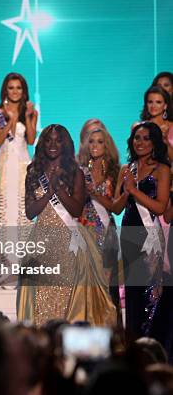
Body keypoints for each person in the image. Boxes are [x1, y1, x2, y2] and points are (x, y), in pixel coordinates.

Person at [17, 124, 116, 326]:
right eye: (48, 140)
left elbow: (76, 210)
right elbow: (30, 212)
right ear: (42, 144)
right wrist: (48, 193)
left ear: (65, 144)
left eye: (58, 140)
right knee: (41, 295)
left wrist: (59, 190)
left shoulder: (75, 173)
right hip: (42, 239)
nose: (53, 144)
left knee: (68, 296)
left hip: (69, 242)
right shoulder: (33, 172)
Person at [112, 122, 169, 339]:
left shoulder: (162, 170)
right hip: (129, 236)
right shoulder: (127, 170)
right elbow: (117, 208)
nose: (141, 142)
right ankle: (134, 345)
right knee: (134, 296)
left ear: (154, 142)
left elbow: (161, 207)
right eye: (137, 138)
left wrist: (134, 190)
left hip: (150, 237)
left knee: (151, 294)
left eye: (146, 138)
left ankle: (153, 346)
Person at [0, 72, 38, 287]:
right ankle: (4, 275)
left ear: (24, 90)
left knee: (23, 215)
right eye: (11, 87)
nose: (15, 91)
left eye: (19, 87)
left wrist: (27, 117)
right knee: (6, 214)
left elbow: (30, 139)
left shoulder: (30, 110)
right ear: (5, 90)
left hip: (24, 164)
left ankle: (22, 274)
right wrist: (9, 120)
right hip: (5, 165)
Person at [77, 124, 122, 321]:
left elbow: (116, 206)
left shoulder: (115, 172)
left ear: (107, 146)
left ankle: (110, 333)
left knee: (106, 286)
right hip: (84, 231)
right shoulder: (79, 171)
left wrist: (93, 192)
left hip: (106, 233)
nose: (95, 146)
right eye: (91, 142)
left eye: (100, 142)